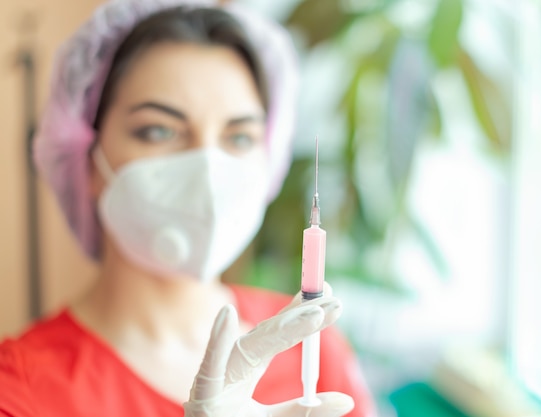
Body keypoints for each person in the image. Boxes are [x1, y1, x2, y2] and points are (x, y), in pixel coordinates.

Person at [0, 0, 376, 416]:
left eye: (239, 137)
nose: (208, 169)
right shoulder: (18, 391)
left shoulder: (311, 342)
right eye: (159, 130)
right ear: (85, 157)